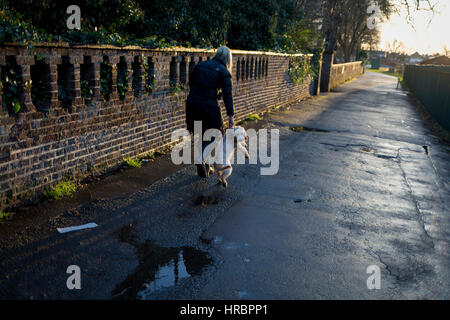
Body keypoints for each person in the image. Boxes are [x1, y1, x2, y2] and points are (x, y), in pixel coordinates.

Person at [185, 46, 235, 178]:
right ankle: (201, 158)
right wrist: (231, 116)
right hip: (208, 106)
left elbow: (192, 83)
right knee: (217, 133)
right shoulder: (224, 71)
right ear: (228, 59)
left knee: (200, 133)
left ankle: (205, 165)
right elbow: (227, 95)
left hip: (192, 104)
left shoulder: (200, 65)